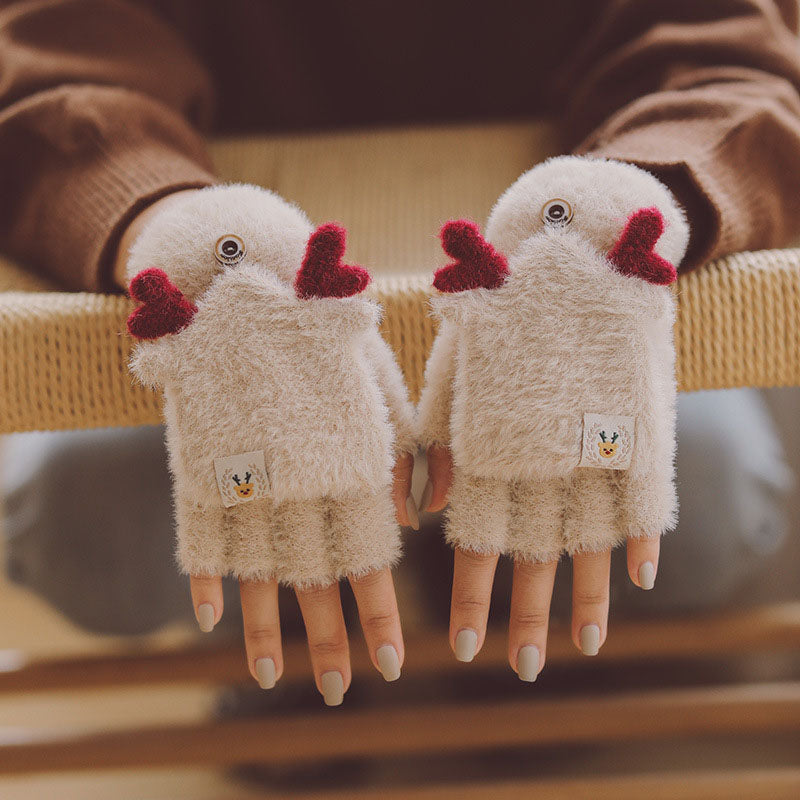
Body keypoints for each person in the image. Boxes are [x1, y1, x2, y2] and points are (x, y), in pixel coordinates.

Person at [1, 0, 799, 701]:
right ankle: (304, 590)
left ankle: (494, 591)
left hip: (542, 246)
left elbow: (729, 52)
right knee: (88, 528)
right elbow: (53, 65)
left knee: (708, 492)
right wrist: (201, 251)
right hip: (246, 238)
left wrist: (603, 232)